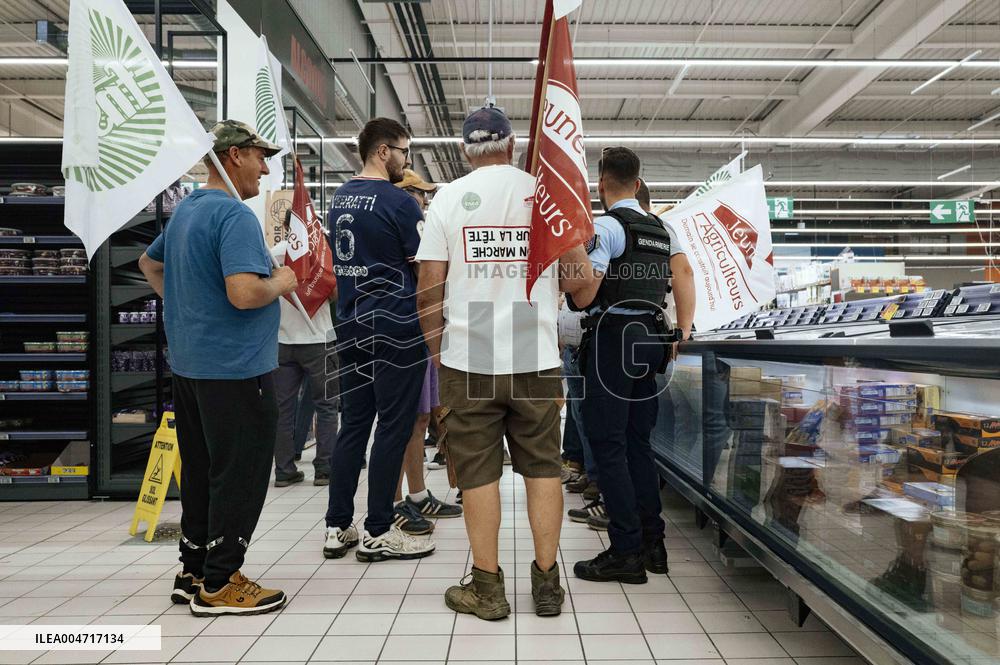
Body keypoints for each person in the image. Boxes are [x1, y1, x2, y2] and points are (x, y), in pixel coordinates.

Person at [416, 106, 574, 620]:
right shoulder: (546, 198)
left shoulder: (446, 199)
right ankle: (547, 584)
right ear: (513, 144)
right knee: (543, 466)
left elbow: (428, 289)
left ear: (465, 151)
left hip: (469, 351)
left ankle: (486, 589)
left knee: (479, 472)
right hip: (534, 346)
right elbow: (579, 281)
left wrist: (440, 356)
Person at [138, 120, 295, 616]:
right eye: (259, 157)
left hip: (191, 367)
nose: (265, 168)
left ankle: (193, 568)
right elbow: (245, 292)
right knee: (241, 472)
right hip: (235, 370)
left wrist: (190, 308)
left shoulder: (187, 211)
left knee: (203, 470)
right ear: (233, 157)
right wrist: (283, 281)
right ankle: (222, 582)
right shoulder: (233, 216)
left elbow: (149, 265)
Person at [562, 146, 696, 584]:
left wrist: (570, 268)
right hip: (653, 340)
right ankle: (653, 543)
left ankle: (625, 550)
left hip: (615, 342)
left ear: (602, 185)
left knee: (608, 443)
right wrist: (684, 331)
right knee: (639, 443)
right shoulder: (661, 229)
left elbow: (585, 293)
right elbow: (685, 277)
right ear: (638, 184)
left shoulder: (607, 226)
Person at [322, 118, 436, 563]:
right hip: (395, 328)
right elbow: (424, 269)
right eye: (404, 152)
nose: (407, 161)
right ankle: (378, 529)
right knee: (393, 426)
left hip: (349, 325)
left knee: (354, 424)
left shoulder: (340, 198)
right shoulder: (400, 203)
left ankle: (337, 526)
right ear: (384, 151)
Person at [391, 168, 462, 535]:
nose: (423, 200)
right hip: (406, 330)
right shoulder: (403, 224)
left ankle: (417, 495)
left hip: (423, 329)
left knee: (419, 419)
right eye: (418, 193)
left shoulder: (417, 225)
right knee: (400, 420)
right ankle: (393, 502)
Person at [269, 235, 338, 488]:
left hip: (283, 340)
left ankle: (284, 470)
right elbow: (335, 295)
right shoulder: (321, 253)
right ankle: (325, 469)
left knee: (283, 410)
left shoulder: (274, 252)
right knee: (327, 407)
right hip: (319, 339)